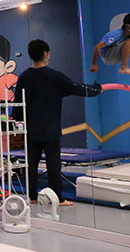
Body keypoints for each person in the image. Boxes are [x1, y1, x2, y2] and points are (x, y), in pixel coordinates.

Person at [13, 39, 102, 206]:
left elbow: (18, 103)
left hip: (30, 130)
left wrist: (19, 123)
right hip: (50, 129)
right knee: (53, 164)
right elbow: (76, 88)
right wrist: (96, 89)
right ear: (46, 54)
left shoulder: (24, 77)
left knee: (31, 165)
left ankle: (32, 196)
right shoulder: (54, 76)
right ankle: (58, 198)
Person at [90, 13, 130, 78]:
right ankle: (124, 67)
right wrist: (94, 64)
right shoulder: (116, 35)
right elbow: (97, 47)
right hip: (107, 56)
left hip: (116, 57)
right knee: (129, 42)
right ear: (128, 26)